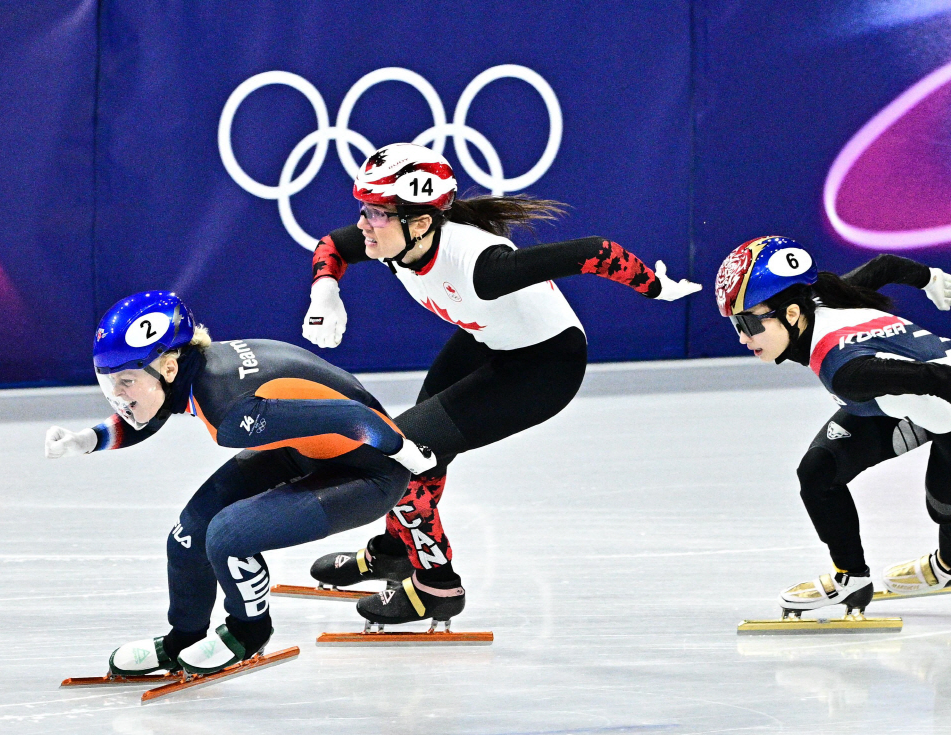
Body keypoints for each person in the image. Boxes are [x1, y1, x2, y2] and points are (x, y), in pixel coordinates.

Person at [300, 142, 701, 627]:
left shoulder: (481, 268)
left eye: (376, 213)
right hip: (486, 339)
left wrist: (657, 287)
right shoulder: (396, 238)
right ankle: (396, 551)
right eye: (364, 209)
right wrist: (326, 289)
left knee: (400, 450)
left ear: (422, 222)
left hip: (543, 367)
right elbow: (331, 246)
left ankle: (437, 586)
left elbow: (593, 252)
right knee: (417, 451)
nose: (363, 223)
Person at [44, 291, 435, 675]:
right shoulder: (195, 366)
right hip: (308, 449)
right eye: (111, 381)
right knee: (189, 533)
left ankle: (249, 630)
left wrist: (405, 451)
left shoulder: (228, 410)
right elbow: (150, 409)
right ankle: (183, 637)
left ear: (166, 368)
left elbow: (351, 415)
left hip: (369, 474)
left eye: (125, 380)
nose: (117, 394)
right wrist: (87, 440)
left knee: (228, 536)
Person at [714, 236, 951, 616]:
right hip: (905, 401)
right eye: (736, 323)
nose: (742, 337)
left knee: (947, 509)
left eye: (749, 322)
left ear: (793, 313)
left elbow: (938, 378)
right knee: (817, 472)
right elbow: (884, 266)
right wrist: (928, 278)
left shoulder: (845, 370)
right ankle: (852, 577)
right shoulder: (827, 298)